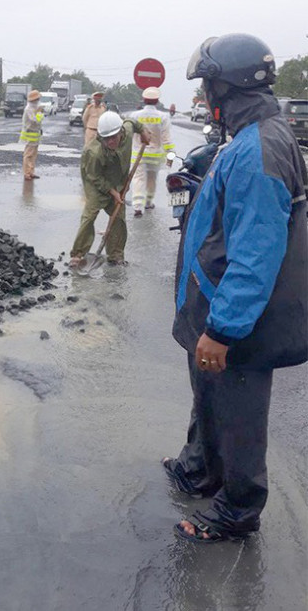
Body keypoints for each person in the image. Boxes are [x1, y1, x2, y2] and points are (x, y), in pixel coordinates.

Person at [164, 33, 308, 543]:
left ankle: (239, 507)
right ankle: (201, 467)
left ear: (229, 86)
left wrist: (223, 330)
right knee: (207, 395)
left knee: (238, 409)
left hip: (238, 318)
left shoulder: (260, 149)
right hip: (214, 301)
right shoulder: (247, 136)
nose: (204, 97)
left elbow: (256, 253)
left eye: (207, 87)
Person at [69, 111, 150, 267]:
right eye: (107, 139)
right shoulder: (93, 152)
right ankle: (78, 254)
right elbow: (94, 177)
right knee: (89, 217)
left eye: (114, 137)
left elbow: (132, 122)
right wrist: (113, 192)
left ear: (121, 132)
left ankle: (115, 255)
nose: (111, 141)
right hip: (96, 182)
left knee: (119, 219)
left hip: (119, 181)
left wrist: (143, 131)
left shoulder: (126, 130)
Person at [129, 87, 175, 216]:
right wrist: (170, 156)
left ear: (144, 100)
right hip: (155, 154)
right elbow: (167, 140)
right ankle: (148, 202)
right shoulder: (163, 117)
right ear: (157, 101)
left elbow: (128, 134)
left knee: (138, 179)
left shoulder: (135, 115)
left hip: (139, 154)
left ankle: (138, 207)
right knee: (152, 178)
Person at [19, 90, 44, 181]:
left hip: (35, 134)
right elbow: (35, 120)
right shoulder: (29, 109)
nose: (38, 101)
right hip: (30, 134)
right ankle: (27, 173)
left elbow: (39, 121)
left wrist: (39, 112)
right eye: (37, 99)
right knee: (28, 154)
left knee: (33, 155)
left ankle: (31, 172)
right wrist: (39, 112)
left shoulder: (35, 108)